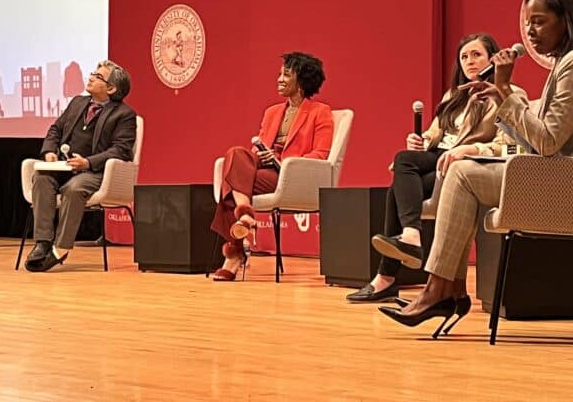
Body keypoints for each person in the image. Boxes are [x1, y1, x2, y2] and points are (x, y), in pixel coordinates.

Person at [378, 0, 573, 334]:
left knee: (462, 174)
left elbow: (548, 142)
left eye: (539, 22)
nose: (530, 32)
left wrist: (506, 90)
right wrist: (499, 98)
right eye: (528, 22)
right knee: (462, 171)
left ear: (566, 20)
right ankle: (446, 288)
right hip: (562, 174)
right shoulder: (567, 63)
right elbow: (534, 142)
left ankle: (441, 289)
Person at [347, 33, 525, 303]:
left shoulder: (507, 94)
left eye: (476, 55)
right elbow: (435, 132)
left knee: (396, 189)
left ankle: (388, 275)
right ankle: (410, 237)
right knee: (405, 157)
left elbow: (509, 144)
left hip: (466, 162)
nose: (470, 62)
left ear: (492, 58)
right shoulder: (453, 94)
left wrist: (469, 149)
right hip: (439, 156)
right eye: (464, 57)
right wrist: (422, 140)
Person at [211, 52, 333, 281]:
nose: (279, 79)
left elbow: (321, 155)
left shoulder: (320, 112)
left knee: (230, 182)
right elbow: (258, 148)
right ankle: (245, 215)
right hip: (265, 171)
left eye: (286, 74)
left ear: (302, 81)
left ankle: (235, 253)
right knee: (236, 153)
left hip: (290, 176)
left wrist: (283, 162)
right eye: (279, 74)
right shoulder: (272, 112)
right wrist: (262, 153)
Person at [25, 60, 136, 272]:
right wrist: (49, 151)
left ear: (111, 88)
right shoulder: (77, 103)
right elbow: (55, 130)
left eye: (98, 76)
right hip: (64, 167)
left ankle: (61, 248)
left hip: (96, 172)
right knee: (41, 178)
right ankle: (42, 243)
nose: (92, 77)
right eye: (93, 73)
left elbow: (121, 150)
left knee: (74, 189)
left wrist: (88, 162)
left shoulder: (124, 115)